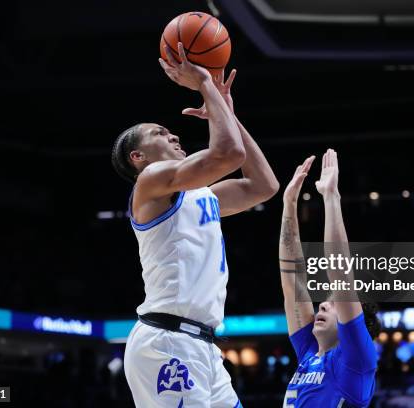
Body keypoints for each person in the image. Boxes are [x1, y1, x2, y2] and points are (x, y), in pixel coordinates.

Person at [113, 42, 278, 407]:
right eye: (159, 133)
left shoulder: (201, 196)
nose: (172, 135)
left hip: (203, 346)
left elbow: (263, 186)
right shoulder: (150, 182)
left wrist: (228, 115)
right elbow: (227, 154)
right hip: (167, 341)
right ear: (137, 157)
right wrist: (204, 81)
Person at [279, 150, 380, 407]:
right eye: (326, 300)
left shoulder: (355, 359)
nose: (322, 304)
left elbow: (340, 273)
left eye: (334, 303)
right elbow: (292, 282)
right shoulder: (309, 352)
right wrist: (289, 204)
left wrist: (331, 197)